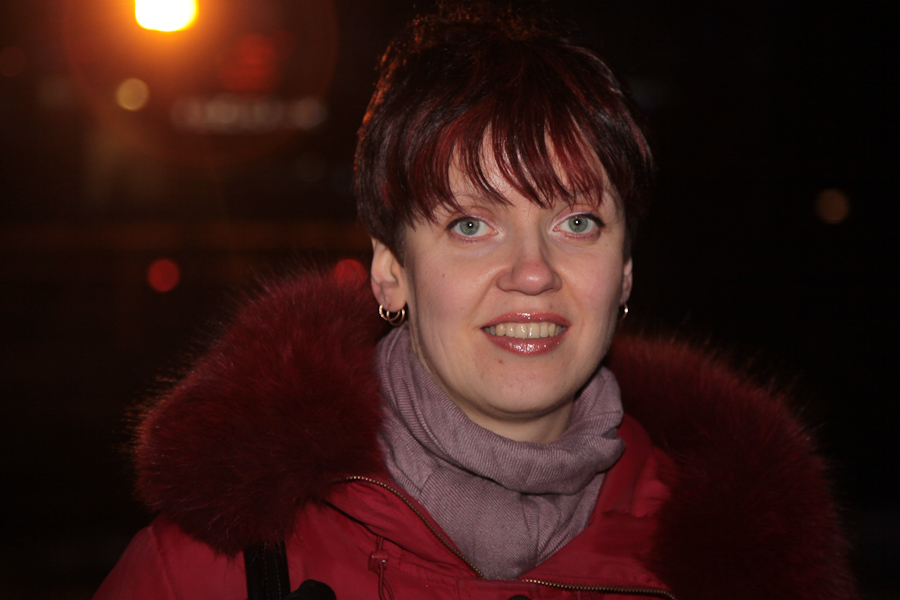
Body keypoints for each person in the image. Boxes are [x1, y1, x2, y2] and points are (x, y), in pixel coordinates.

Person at [94, 5, 856, 599]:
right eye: (470, 224)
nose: (532, 272)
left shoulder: (745, 568)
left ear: (624, 273)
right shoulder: (209, 569)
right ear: (391, 273)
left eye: (577, 223)